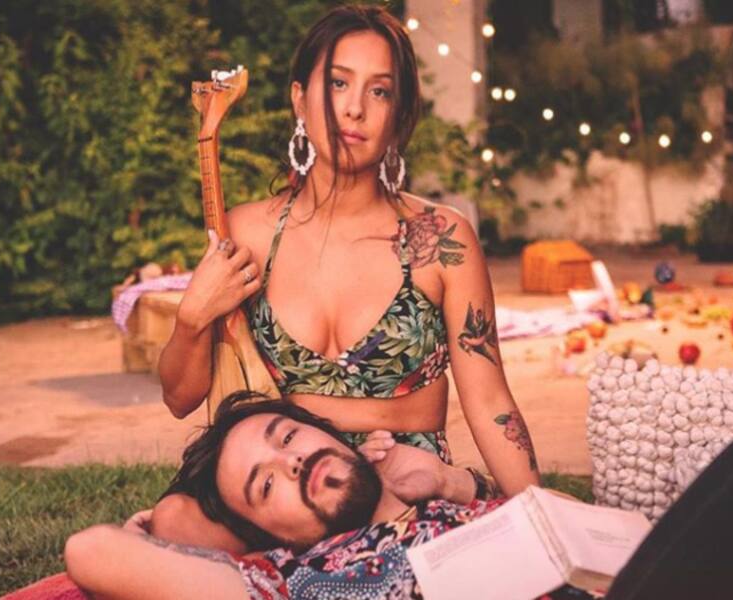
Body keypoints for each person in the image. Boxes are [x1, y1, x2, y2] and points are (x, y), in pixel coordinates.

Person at [155, 4, 539, 551]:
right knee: (171, 519)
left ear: (399, 114)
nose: (355, 108)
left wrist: (539, 514)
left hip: (401, 487)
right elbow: (180, 399)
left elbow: (489, 400)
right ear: (299, 99)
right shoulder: (247, 233)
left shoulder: (441, 241)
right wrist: (193, 317)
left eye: (380, 91)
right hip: (290, 496)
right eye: (338, 83)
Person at [65, 394, 587, 600]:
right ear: (272, 538)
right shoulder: (298, 580)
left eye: (288, 436)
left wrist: (453, 482)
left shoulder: (449, 498)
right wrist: (148, 538)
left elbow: (576, 527)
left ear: (336, 437)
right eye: (266, 485)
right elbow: (91, 551)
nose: (290, 462)